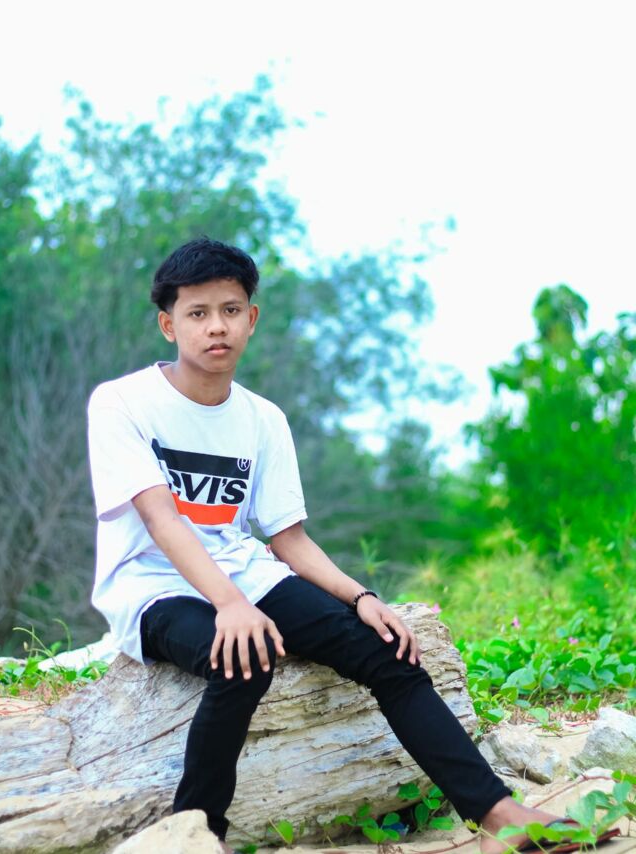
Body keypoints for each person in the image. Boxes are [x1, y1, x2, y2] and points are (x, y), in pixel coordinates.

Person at [87, 237, 617, 854]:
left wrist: (361, 597)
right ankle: (197, 835)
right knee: (243, 656)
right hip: (152, 585)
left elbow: (287, 537)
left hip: (243, 572)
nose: (216, 327)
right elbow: (161, 520)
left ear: (251, 318)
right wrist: (230, 606)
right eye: (197, 313)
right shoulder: (122, 402)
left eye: (230, 310)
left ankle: (500, 817)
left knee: (389, 652)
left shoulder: (262, 418)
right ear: (168, 324)